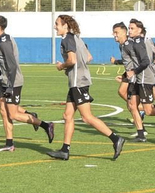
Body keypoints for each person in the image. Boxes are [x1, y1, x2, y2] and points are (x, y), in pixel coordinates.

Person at [50, 14, 124, 161]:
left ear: (66, 26)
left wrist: (61, 66)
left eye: (57, 24)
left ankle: (116, 139)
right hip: (77, 81)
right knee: (68, 115)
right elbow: (89, 57)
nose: (55, 27)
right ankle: (65, 150)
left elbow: (72, 60)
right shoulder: (77, 38)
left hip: (78, 82)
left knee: (87, 117)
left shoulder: (67, 39)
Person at [0, 15, 52, 148]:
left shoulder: (4, 42)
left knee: (13, 114)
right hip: (6, 81)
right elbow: (7, 66)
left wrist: (10, 87)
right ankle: (9, 144)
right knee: (3, 111)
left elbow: (12, 66)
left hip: (12, 83)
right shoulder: (2, 40)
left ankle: (46, 125)